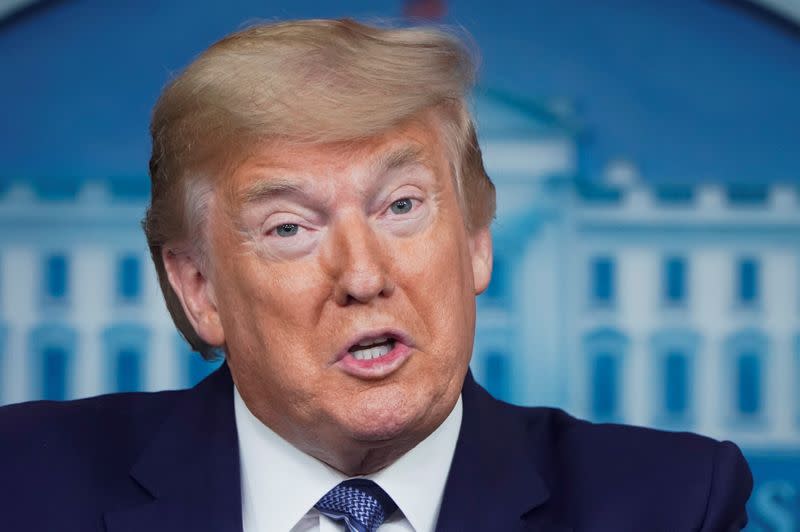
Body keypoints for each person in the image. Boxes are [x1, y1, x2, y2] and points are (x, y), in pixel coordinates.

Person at [0, 19, 752, 532]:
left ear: (477, 243)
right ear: (199, 290)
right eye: (290, 228)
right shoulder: (24, 483)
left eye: (400, 206)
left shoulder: (672, 503)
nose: (363, 276)